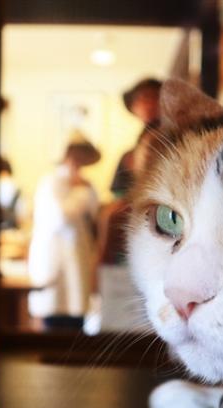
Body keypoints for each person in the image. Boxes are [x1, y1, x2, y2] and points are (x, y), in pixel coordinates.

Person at [28, 131, 101, 330]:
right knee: (54, 314)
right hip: (54, 261)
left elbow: (94, 215)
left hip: (79, 259)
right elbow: (60, 217)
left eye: (81, 156)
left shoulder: (87, 185)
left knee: (76, 318)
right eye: (74, 155)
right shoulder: (50, 182)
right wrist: (82, 192)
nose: (77, 161)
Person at [110, 78, 162, 198]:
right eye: (141, 99)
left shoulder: (176, 136)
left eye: (154, 96)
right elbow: (118, 194)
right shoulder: (128, 156)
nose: (148, 103)